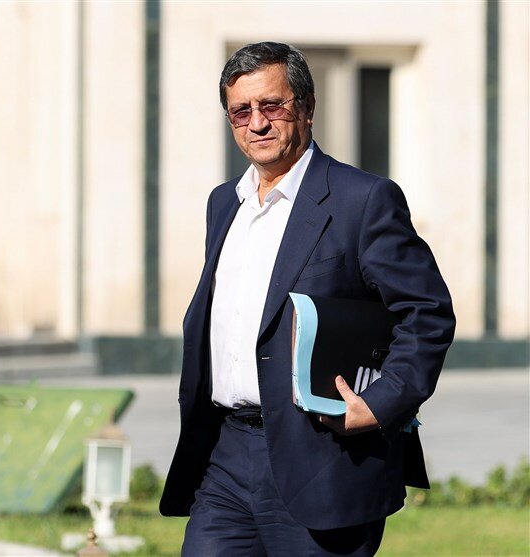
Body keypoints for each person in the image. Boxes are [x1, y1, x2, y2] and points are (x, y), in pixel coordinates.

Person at [159, 42, 456, 556]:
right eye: (241, 112)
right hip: (227, 457)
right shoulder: (223, 203)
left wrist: (379, 405)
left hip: (325, 457)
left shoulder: (363, 200)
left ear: (307, 107)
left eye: (272, 106)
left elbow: (427, 313)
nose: (257, 123)